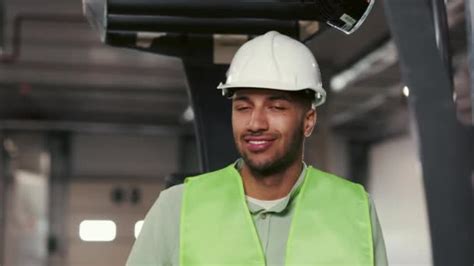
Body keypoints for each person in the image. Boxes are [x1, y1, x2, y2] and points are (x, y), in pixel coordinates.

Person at [126, 31, 387, 266]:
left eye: (276, 107)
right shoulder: (177, 208)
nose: (256, 123)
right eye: (243, 107)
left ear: (308, 121)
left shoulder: (354, 209)